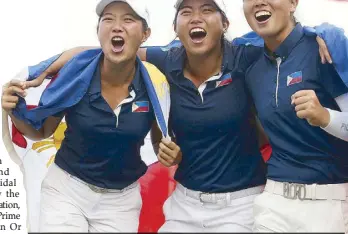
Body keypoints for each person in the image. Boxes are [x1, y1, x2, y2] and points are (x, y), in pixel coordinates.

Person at [12, 0, 338, 232]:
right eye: (186, 11)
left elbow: (285, 42)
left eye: (207, 9)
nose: (196, 17)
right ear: (175, 28)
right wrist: (38, 73)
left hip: (242, 205)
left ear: (225, 24)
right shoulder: (164, 61)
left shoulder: (247, 58)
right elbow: (94, 54)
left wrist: (320, 32)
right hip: (184, 205)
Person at [1, 0, 181, 232]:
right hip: (66, 192)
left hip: (121, 204)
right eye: (108, 19)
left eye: (128, 19)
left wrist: (170, 154)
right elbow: (42, 132)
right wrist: (14, 110)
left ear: (145, 34)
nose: (117, 26)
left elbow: (159, 142)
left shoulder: (155, 83)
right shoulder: (76, 75)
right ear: (98, 31)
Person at [242, 0, 348, 232]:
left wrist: (325, 117)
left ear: (293, 3)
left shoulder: (327, 47)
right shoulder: (251, 66)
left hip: (328, 205)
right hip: (272, 202)